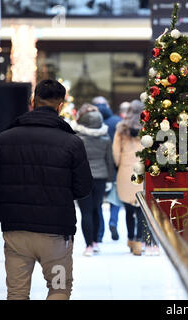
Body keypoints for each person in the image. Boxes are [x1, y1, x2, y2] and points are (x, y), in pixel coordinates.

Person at [0, 79, 93, 300]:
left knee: (16, 292)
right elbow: (83, 188)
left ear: (33, 102)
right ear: (61, 105)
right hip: (56, 234)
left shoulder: (4, 140)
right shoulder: (72, 143)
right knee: (59, 288)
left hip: (16, 232)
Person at [113, 100, 155, 255]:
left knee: (129, 209)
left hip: (125, 171)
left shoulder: (121, 129)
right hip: (142, 170)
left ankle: (131, 239)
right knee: (141, 209)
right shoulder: (149, 128)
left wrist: (119, 165)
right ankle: (139, 240)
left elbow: (116, 152)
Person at [72, 104, 114, 256]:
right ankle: (96, 242)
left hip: (83, 178)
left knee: (86, 212)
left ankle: (88, 245)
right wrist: (110, 178)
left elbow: (74, 161)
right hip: (101, 177)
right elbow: (109, 160)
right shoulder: (106, 138)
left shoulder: (77, 138)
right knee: (97, 210)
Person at [93, 96, 122, 241]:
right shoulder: (117, 121)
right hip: (115, 164)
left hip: (98, 166)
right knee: (114, 198)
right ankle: (113, 221)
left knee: (97, 201)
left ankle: (99, 233)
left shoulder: (94, 123)